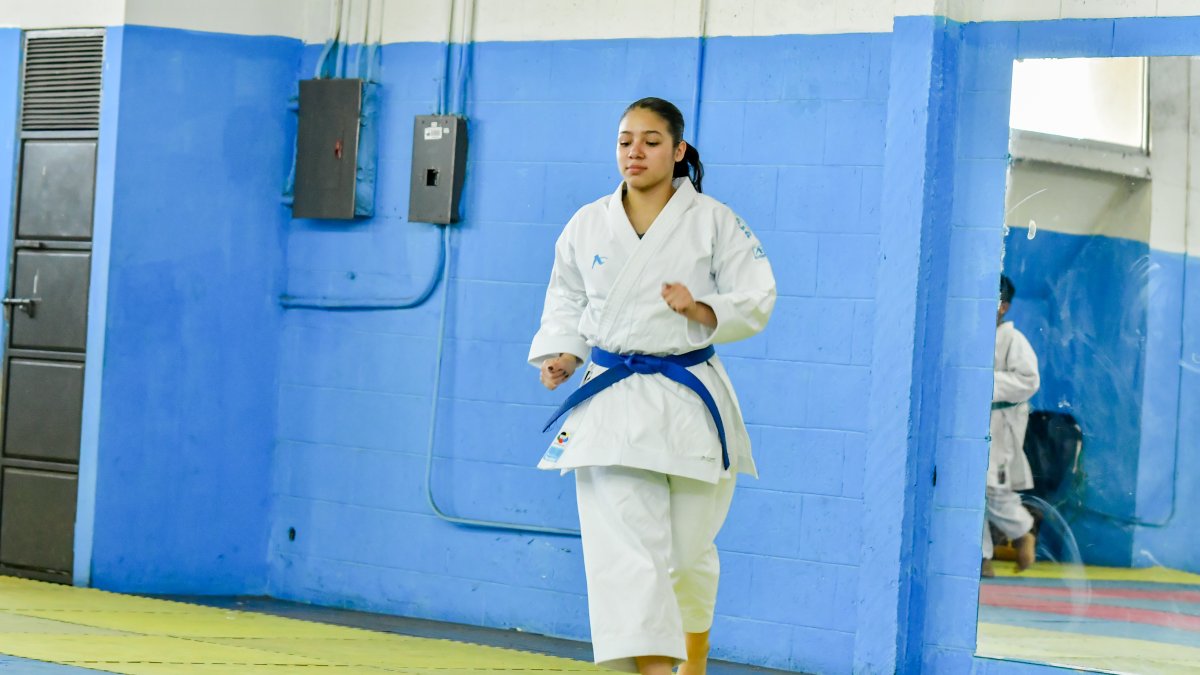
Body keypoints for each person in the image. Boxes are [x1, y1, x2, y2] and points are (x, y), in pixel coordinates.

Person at [528, 97, 776, 674]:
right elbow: (565, 295)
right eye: (624, 140)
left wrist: (703, 306)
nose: (634, 151)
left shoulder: (715, 220)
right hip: (611, 397)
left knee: (686, 557)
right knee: (627, 557)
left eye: (651, 140)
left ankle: (694, 656)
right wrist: (564, 353)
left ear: (678, 150)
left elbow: (758, 292)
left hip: (688, 393)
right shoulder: (587, 222)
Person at [982, 275, 1040, 578]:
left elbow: (1029, 380)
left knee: (993, 489)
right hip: (974, 426)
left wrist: (984, 383)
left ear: (1003, 307)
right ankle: (980, 558)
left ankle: (1022, 532)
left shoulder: (1013, 340)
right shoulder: (973, 336)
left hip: (1000, 426)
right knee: (967, 492)